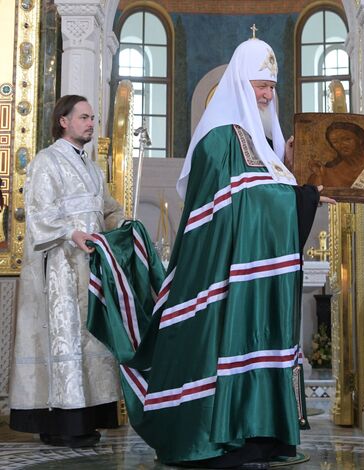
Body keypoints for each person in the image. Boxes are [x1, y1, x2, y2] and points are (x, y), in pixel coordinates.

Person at [86, 37, 332, 468]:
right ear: (239, 83)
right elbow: (243, 203)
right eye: (260, 85)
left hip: (261, 275)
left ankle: (267, 439)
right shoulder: (219, 140)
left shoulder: (266, 147)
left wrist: (300, 189)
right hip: (224, 278)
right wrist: (302, 195)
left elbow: (268, 197)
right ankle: (226, 442)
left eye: (272, 87)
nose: (267, 95)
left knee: (266, 342)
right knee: (232, 345)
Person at [9, 95, 124, 447]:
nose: (91, 123)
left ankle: (86, 418)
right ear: (64, 120)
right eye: (84, 117)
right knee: (64, 338)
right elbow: (40, 214)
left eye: (93, 117)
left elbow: (107, 208)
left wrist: (124, 224)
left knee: (88, 338)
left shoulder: (88, 165)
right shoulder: (47, 161)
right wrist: (72, 234)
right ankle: (60, 423)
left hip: (88, 267)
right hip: (59, 267)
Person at [308, 121, 364, 193]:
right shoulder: (327, 172)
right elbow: (312, 195)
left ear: (360, 140)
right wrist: (319, 176)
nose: (341, 145)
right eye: (335, 142)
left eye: (346, 139)